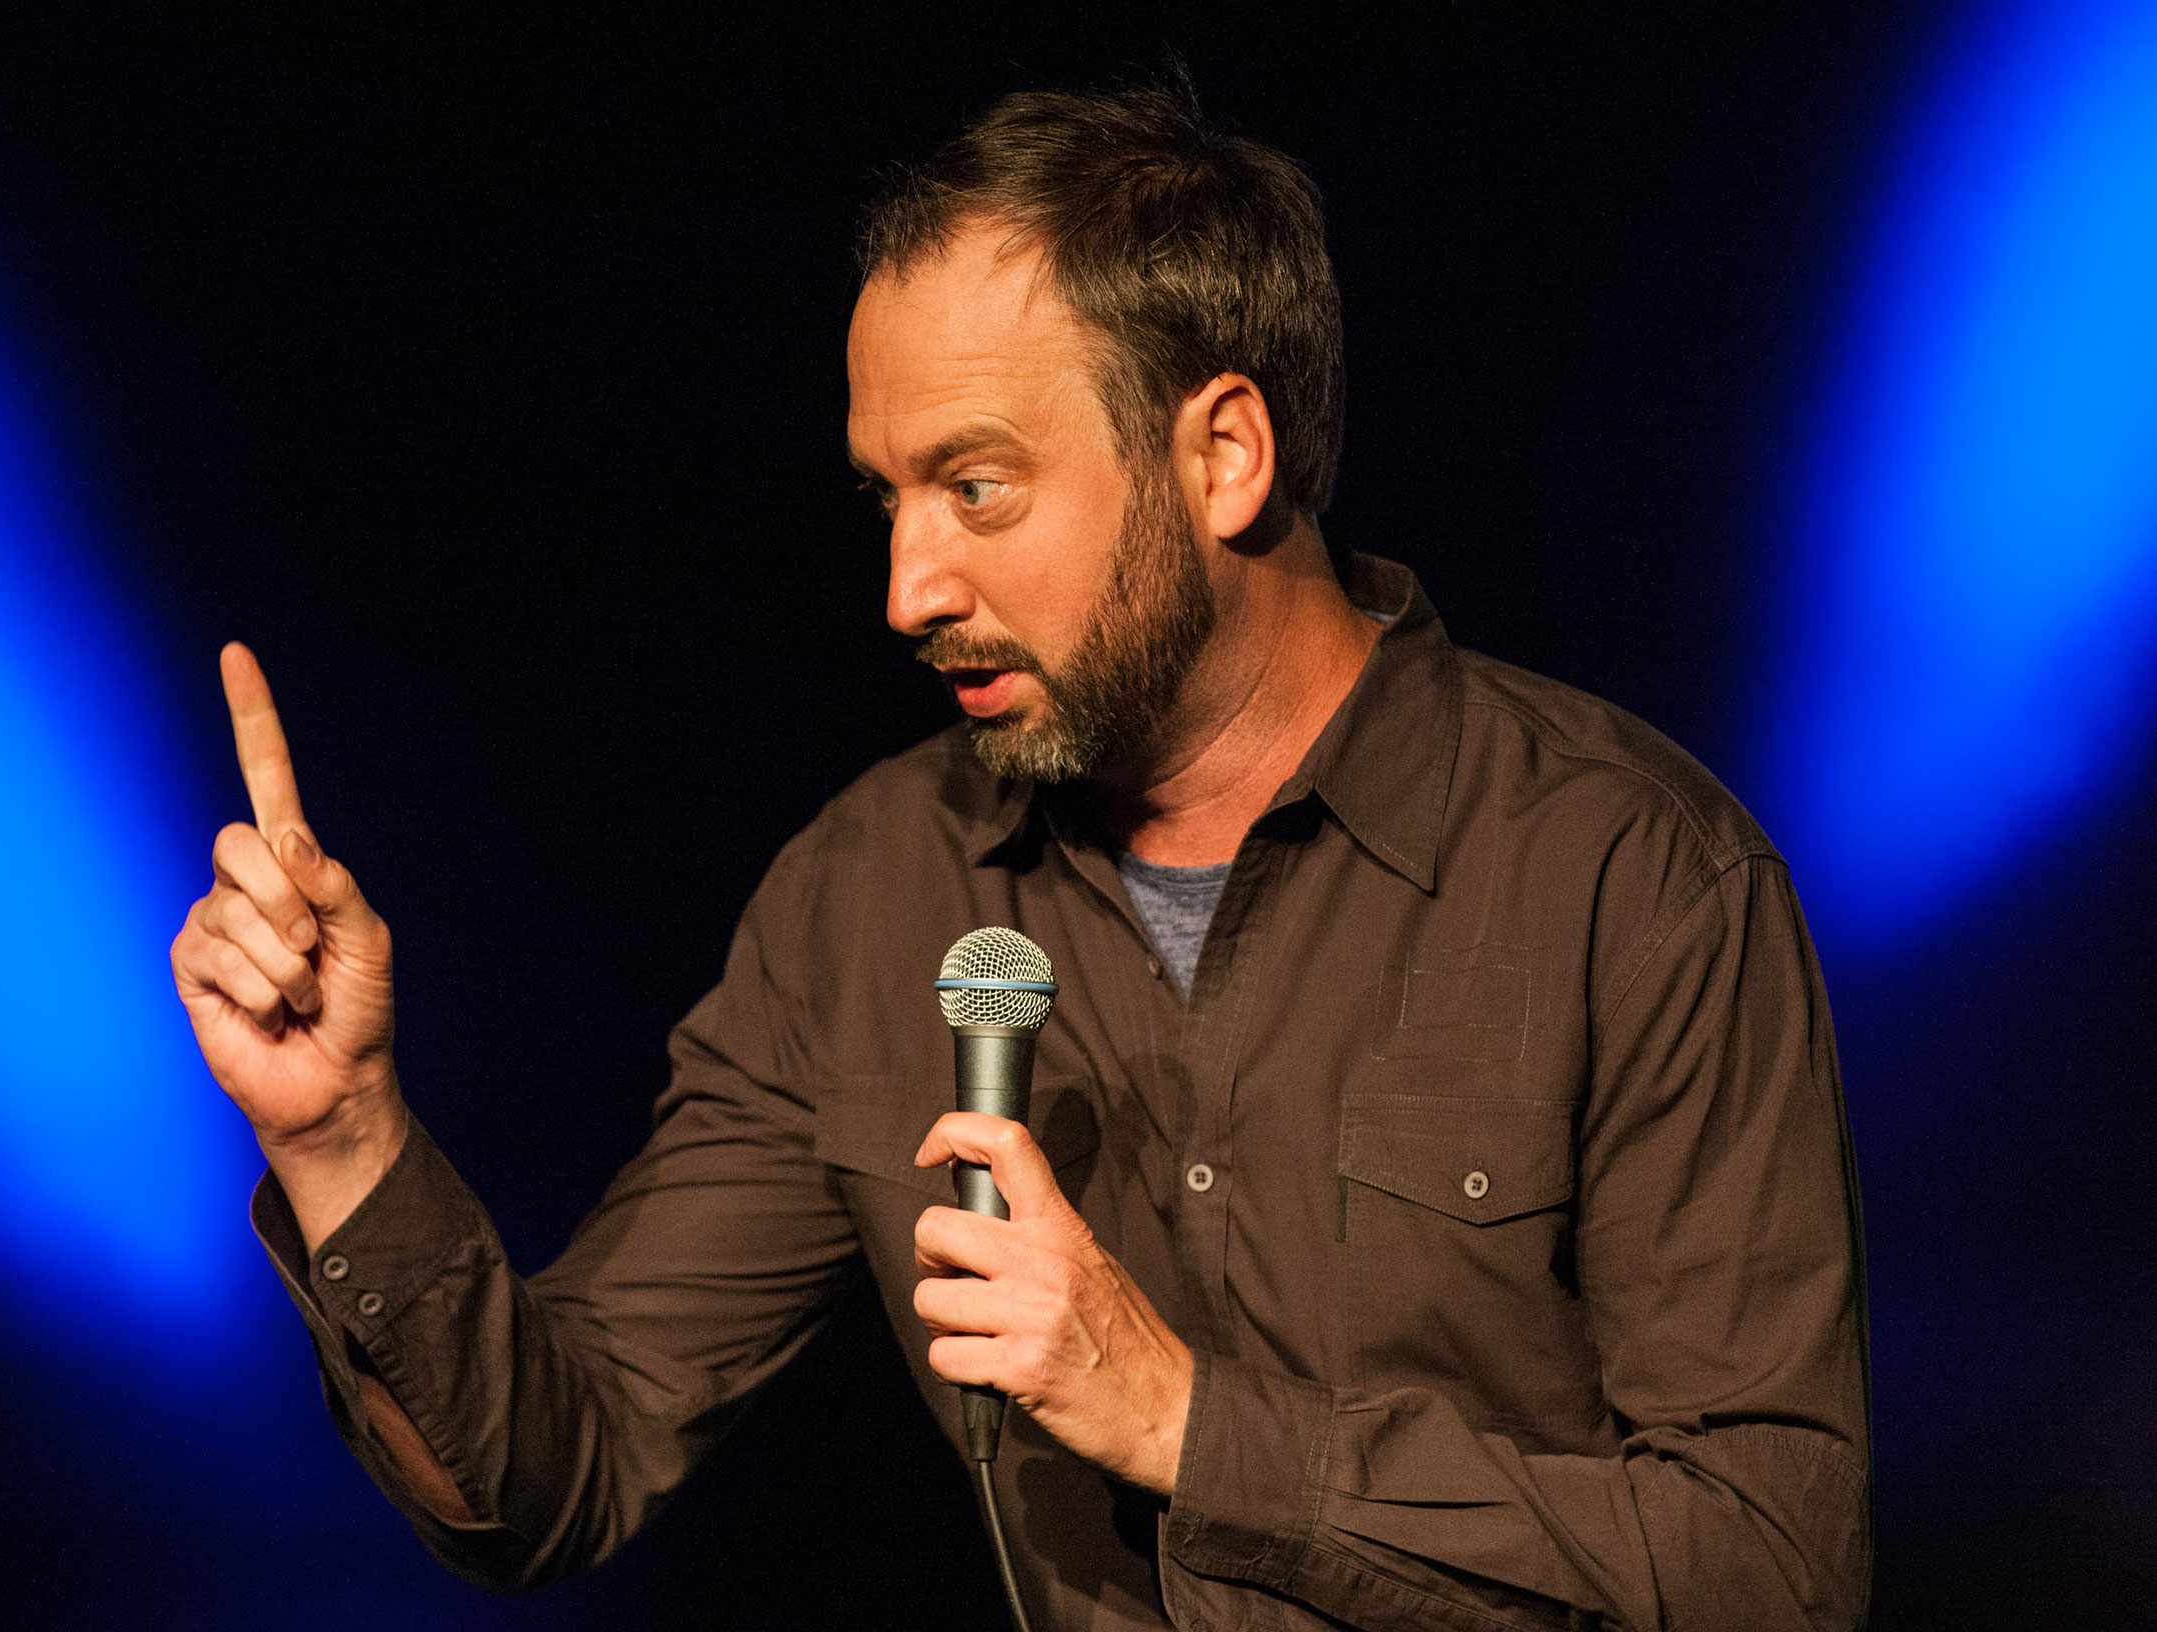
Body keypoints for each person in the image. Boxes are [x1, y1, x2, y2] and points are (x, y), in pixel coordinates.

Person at [171, 82, 1869, 1631]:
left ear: (1223, 455)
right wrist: (341, 1139)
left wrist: (1191, 1424)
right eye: (887, 500)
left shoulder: (1630, 875)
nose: (906, 589)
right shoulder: (871, 896)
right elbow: (560, 1473)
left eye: (976, 489)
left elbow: (1773, 1571)